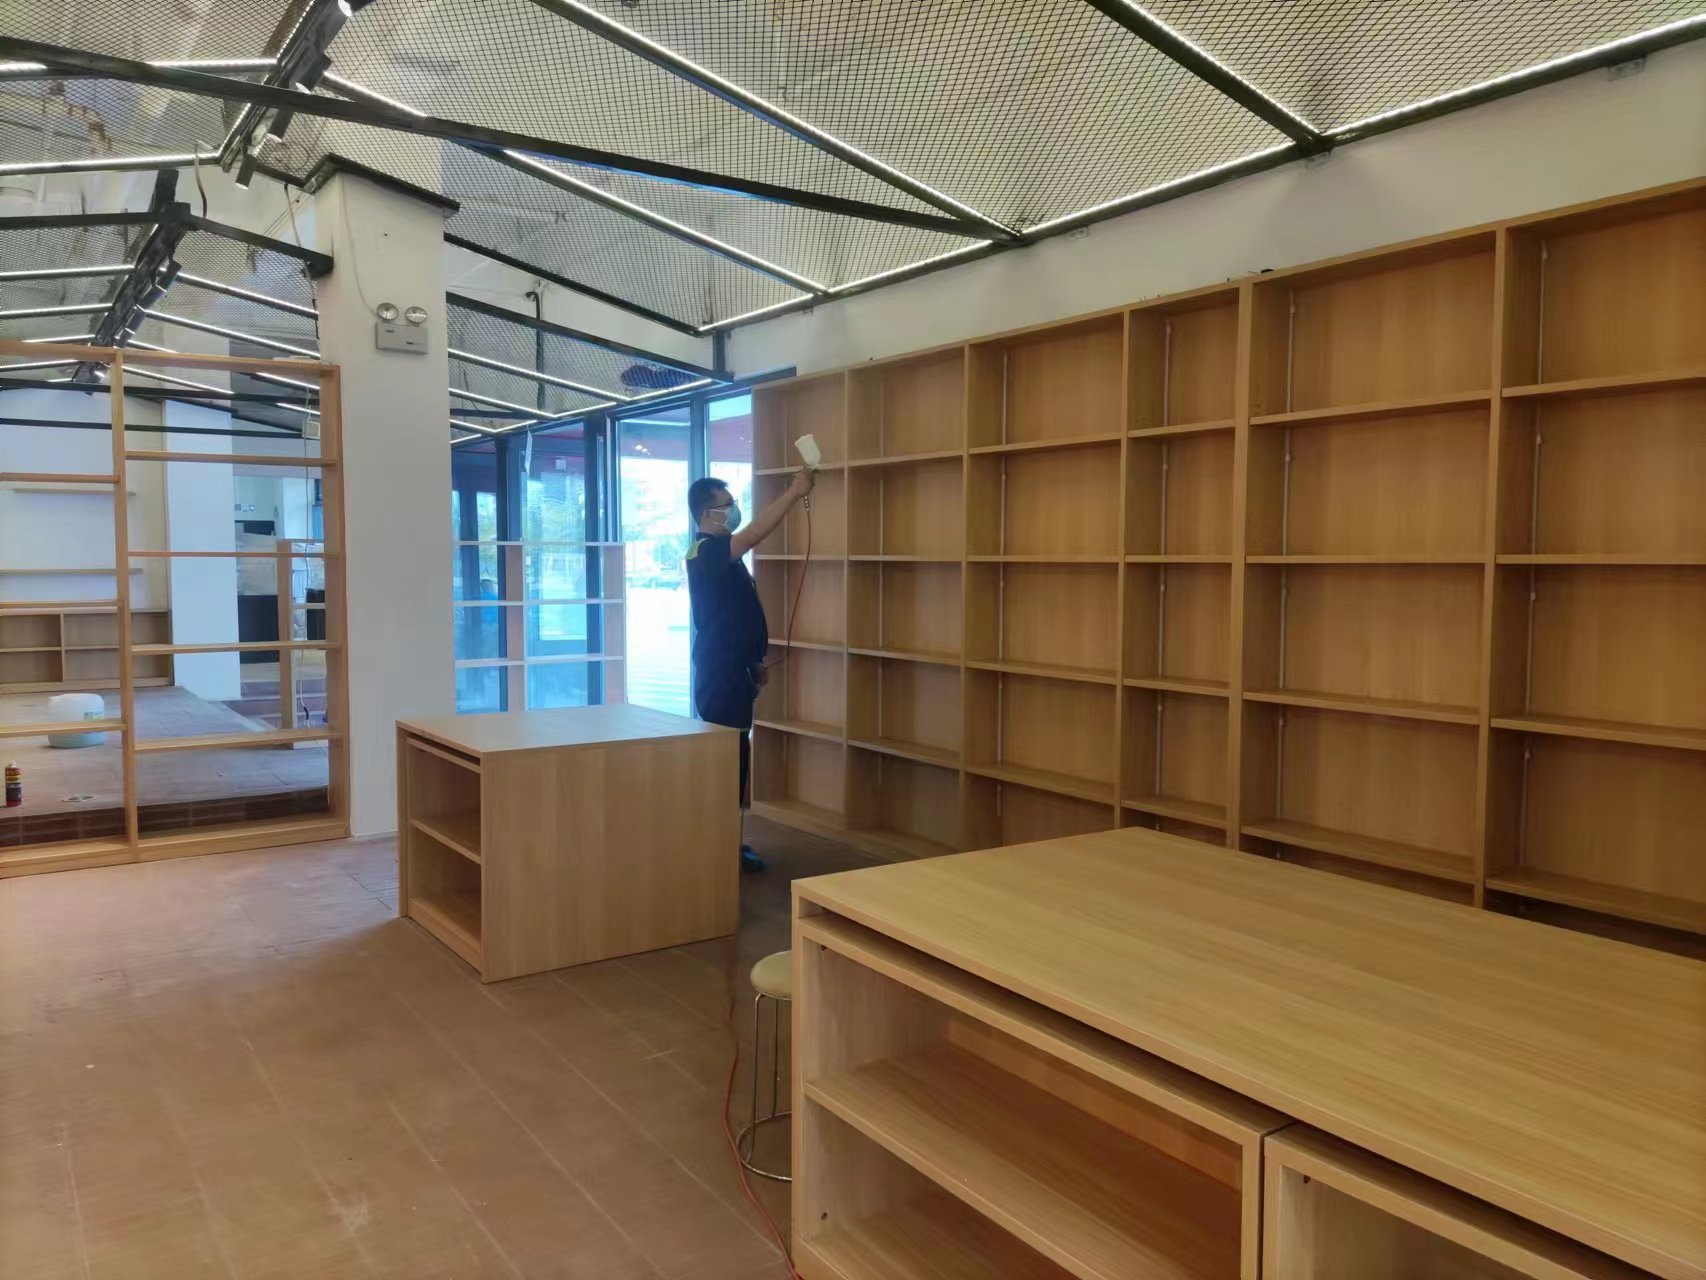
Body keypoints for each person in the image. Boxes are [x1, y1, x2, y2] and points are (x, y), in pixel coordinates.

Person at [685, 469, 814, 873]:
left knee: (736, 759)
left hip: (735, 670)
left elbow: (737, 615)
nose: (733, 510)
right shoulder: (706, 551)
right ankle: (720, 848)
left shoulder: (722, 555)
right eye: (727, 505)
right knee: (727, 762)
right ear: (707, 514)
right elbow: (755, 533)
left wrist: (754, 662)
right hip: (720, 676)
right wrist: (793, 493)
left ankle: (728, 843)